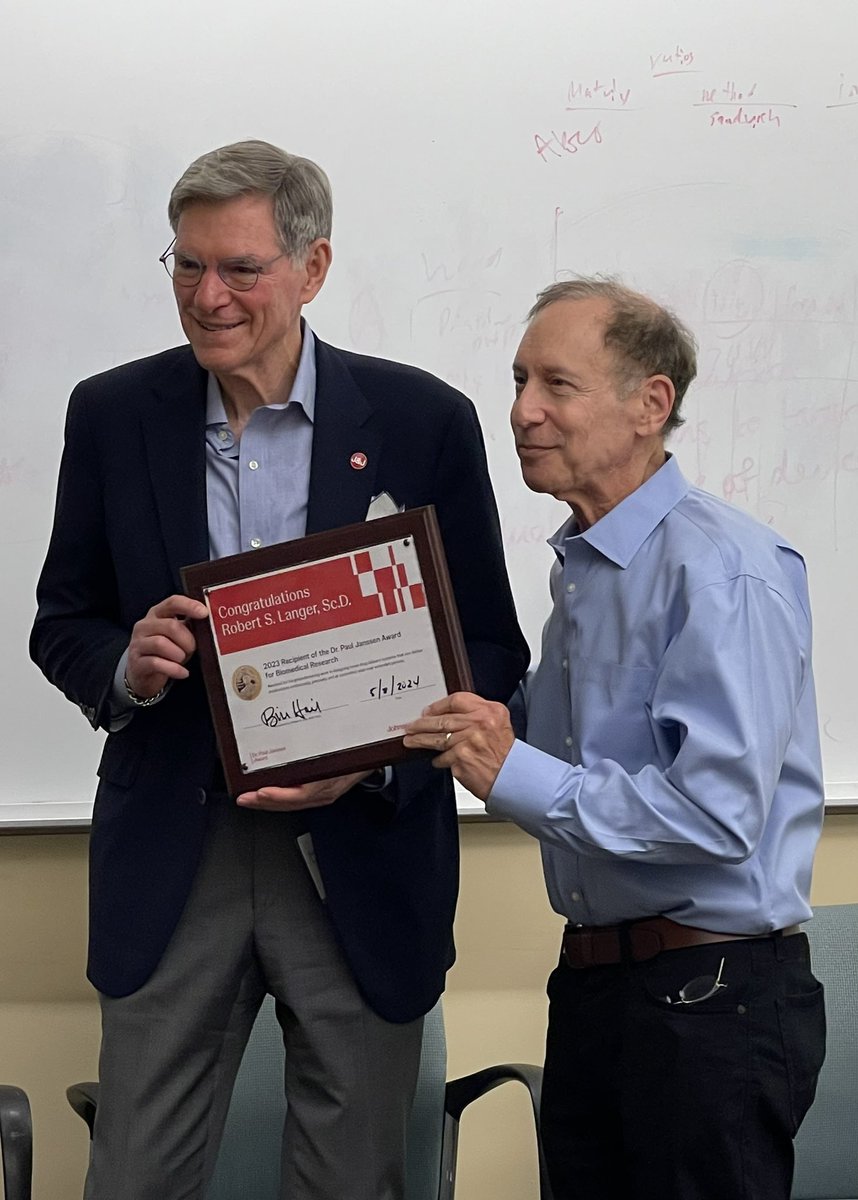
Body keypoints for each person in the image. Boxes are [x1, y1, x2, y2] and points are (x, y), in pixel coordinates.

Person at [30, 139, 528, 1200]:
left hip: (361, 848)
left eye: (240, 269)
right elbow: (60, 621)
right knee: (131, 1177)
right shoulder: (113, 415)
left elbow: (489, 649)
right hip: (178, 848)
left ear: (313, 269)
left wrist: (381, 757)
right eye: (186, 265)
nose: (208, 297)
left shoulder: (421, 422)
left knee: (354, 1180)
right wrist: (127, 665)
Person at [404, 278, 826, 1200]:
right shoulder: (586, 570)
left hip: (710, 998)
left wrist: (513, 770)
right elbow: (560, 753)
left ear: (651, 404)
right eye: (518, 380)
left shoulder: (720, 570)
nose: (522, 412)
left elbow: (718, 818)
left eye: (557, 384)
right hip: (601, 986)